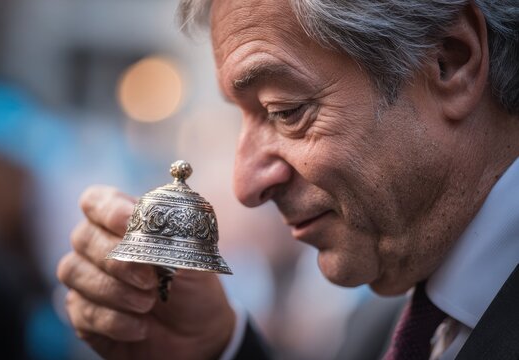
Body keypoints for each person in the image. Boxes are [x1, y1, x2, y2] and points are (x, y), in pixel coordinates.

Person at [57, 0, 519, 359]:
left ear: (450, 61)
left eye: (286, 111)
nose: (245, 184)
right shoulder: (389, 326)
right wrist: (212, 351)